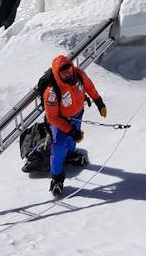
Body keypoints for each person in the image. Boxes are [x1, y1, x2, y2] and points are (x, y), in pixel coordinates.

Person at [43, 54, 106, 196]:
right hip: (61, 121)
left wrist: (99, 102)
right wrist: (70, 130)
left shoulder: (80, 75)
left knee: (74, 138)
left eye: (69, 69)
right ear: (58, 74)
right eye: (64, 72)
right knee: (58, 147)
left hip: (78, 114)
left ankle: (70, 154)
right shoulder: (51, 92)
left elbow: (90, 87)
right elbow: (52, 117)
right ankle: (57, 178)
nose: (68, 73)